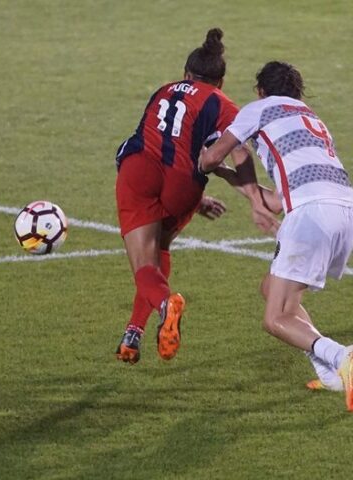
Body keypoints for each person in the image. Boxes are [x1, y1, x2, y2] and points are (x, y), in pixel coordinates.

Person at [199, 60, 353, 411]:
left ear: (260, 91)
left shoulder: (258, 109)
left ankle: (343, 356)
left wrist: (204, 161)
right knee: (272, 289)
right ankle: (329, 372)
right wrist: (228, 176)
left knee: (275, 318)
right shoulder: (312, 120)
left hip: (312, 214)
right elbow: (273, 201)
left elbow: (211, 158)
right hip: (343, 210)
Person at [114, 28, 253, 364]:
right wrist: (252, 193)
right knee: (159, 248)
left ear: (186, 74)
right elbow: (239, 151)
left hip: (139, 169)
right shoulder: (223, 103)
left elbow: (157, 134)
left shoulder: (163, 91)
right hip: (184, 184)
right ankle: (133, 333)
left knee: (144, 264)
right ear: (220, 81)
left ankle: (165, 304)